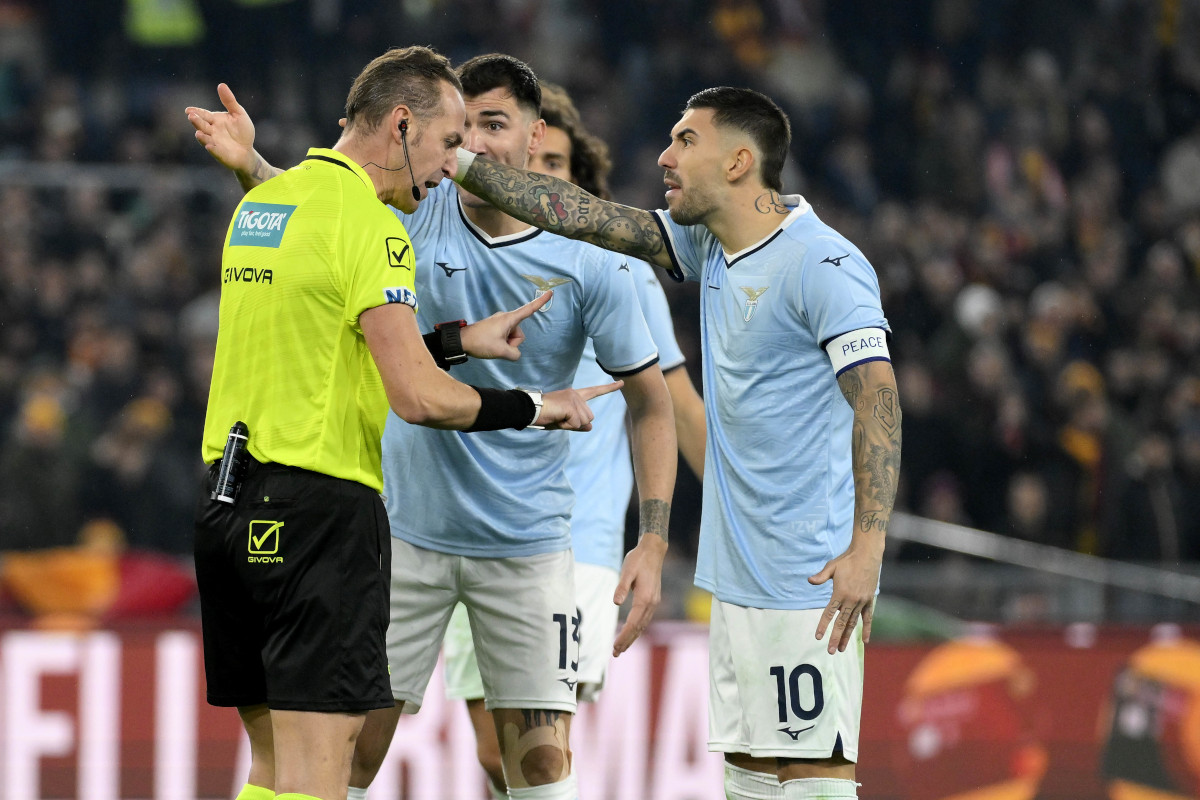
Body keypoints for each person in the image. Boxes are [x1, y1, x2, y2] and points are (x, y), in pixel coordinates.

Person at [187, 54, 677, 800]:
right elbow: (411, 388)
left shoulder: (268, 205)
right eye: (454, 136)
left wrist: (454, 340)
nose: (463, 158)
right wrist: (536, 405)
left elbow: (326, 280)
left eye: (487, 131)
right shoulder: (394, 221)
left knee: (283, 767)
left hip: (265, 509)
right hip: (362, 522)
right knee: (331, 765)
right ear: (405, 125)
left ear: (536, 134)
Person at [451, 86, 903, 800]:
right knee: (752, 780)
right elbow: (586, 216)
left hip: (804, 580)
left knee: (813, 781)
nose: (665, 157)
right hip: (738, 580)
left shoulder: (824, 265)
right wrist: (461, 162)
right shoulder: (708, 245)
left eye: (686, 141)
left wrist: (868, 548)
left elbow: (878, 401)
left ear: (739, 163)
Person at [439, 82, 708, 800]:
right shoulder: (462, 249)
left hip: (570, 538)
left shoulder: (610, 268)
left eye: (557, 166)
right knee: (494, 752)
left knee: (527, 747)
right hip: (464, 526)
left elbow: (674, 406)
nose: (540, 179)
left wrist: (739, 520)